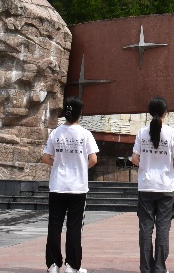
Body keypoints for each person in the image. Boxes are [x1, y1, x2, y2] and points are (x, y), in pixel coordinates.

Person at [42, 96, 100, 273]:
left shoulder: (56, 133)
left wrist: (58, 164)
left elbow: (45, 157)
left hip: (57, 185)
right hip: (77, 186)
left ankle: (53, 265)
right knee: (74, 226)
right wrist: (81, 166)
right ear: (80, 113)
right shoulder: (85, 134)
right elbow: (93, 159)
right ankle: (72, 266)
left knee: (54, 225)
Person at [131, 97, 174, 273]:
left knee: (145, 229)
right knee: (163, 228)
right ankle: (160, 268)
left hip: (146, 185)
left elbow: (135, 158)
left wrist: (146, 166)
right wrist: (166, 167)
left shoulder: (141, 133)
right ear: (165, 112)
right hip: (165, 186)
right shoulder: (172, 133)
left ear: (149, 112)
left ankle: (146, 268)